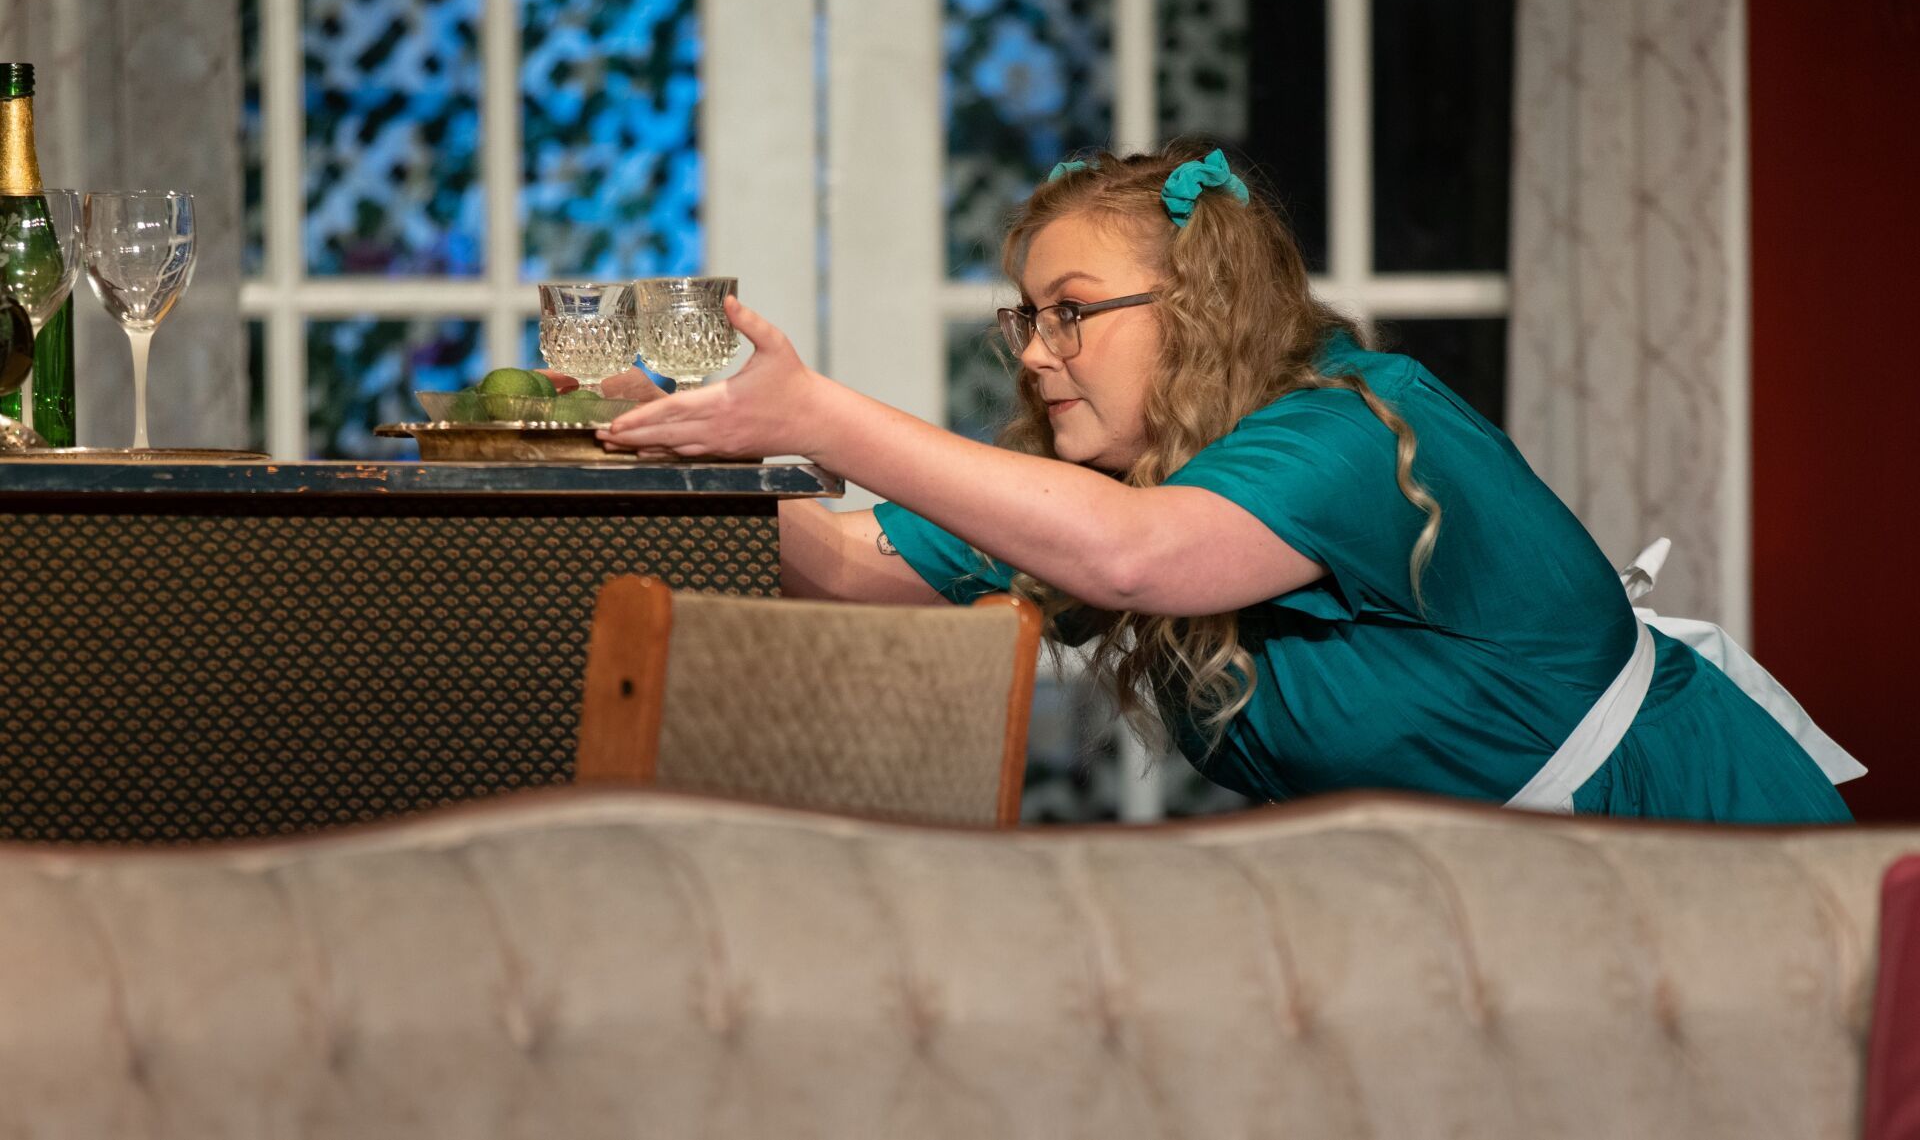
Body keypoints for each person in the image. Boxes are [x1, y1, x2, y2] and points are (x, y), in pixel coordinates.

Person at [598, 144, 1860, 823]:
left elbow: (1136, 556)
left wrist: (820, 417)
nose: (1034, 352)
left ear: (1200, 305)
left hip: (1673, 836)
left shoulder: (1355, 426)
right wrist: (671, 449)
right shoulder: (1116, 479)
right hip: (1472, 894)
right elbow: (846, 565)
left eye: (1072, 311)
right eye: (1027, 317)